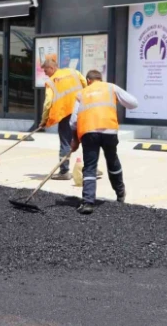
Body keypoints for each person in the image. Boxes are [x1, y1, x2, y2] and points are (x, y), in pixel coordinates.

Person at [70, 70, 138, 215]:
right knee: (112, 160)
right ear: (100, 79)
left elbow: (73, 121)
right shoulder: (111, 88)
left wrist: (75, 140)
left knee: (89, 166)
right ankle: (120, 194)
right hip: (109, 131)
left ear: (88, 80)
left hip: (89, 132)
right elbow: (133, 103)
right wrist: (117, 100)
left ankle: (88, 202)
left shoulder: (82, 93)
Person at [40, 59, 87, 180]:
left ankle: (64, 172)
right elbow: (85, 84)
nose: (45, 74)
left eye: (45, 71)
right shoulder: (73, 72)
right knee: (86, 139)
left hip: (65, 114)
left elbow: (47, 103)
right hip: (81, 110)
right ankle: (91, 168)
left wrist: (44, 120)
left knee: (66, 142)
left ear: (52, 68)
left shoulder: (51, 82)